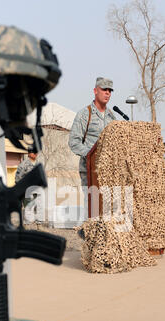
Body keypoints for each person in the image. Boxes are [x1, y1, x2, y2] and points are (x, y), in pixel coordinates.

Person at [68, 77, 116, 217]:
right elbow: (74, 142)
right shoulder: (85, 114)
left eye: (110, 91)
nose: (107, 93)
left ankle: (105, 235)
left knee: (107, 205)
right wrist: (91, 155)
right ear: (95, 91)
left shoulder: (112, 117)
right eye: (104, 90)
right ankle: (90, 234)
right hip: (89, 168)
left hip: (107, 170)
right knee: (92, 204)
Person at [15, 151, 44, 224]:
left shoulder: (38, 163)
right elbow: (18, 178)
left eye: (36, 152)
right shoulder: (23, 164)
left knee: (40, 204)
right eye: (33, 152)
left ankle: (39, 220)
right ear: (29, 153)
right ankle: (29, 220)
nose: (35, 154)